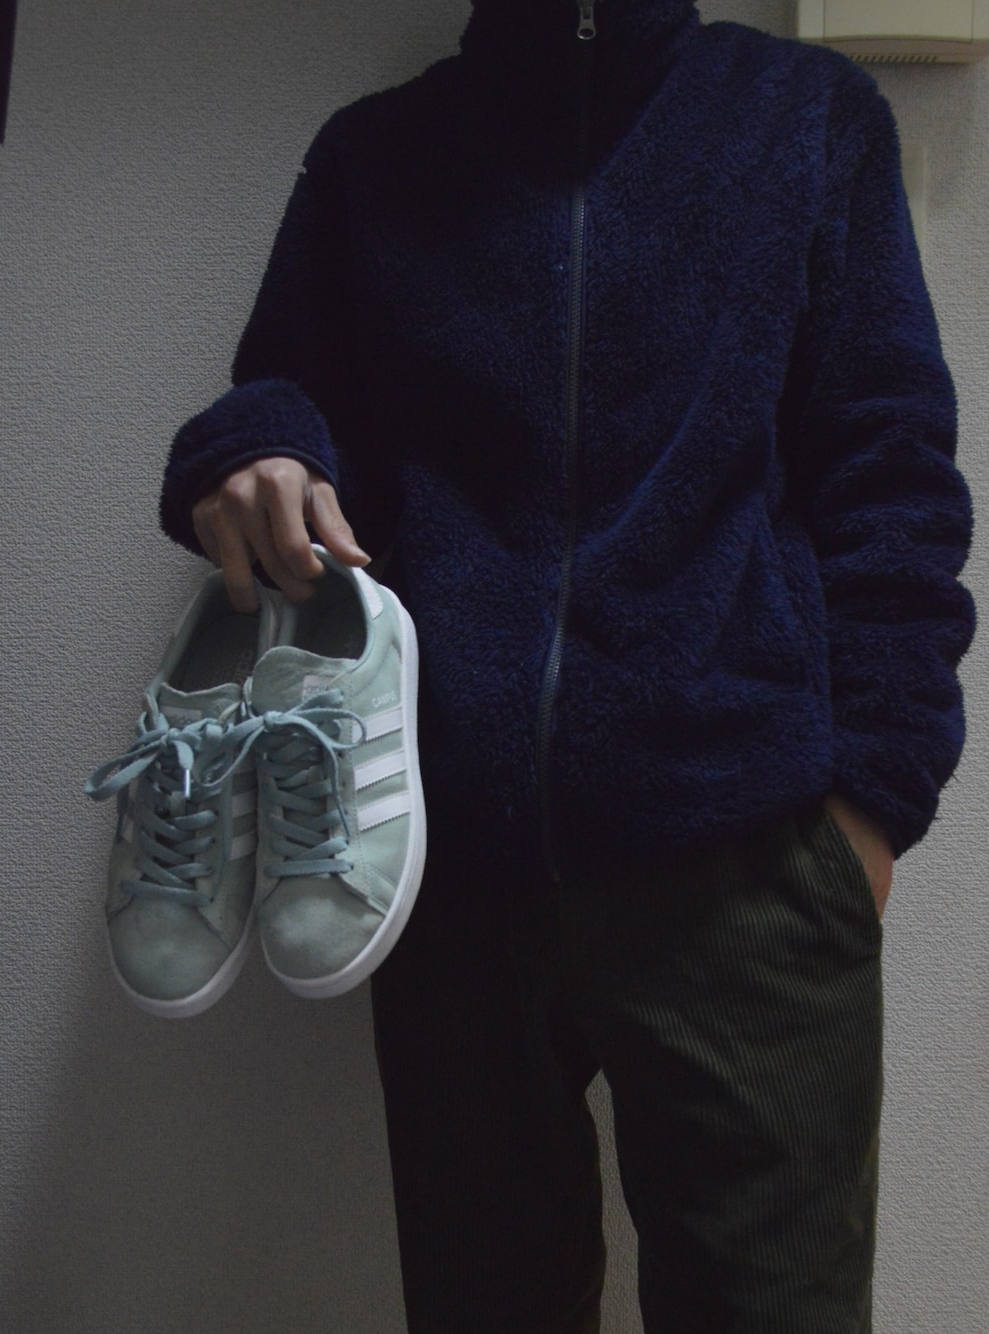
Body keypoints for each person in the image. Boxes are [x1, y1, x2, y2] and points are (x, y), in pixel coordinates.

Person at [159, 1, 975, 1329]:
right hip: (444, 877)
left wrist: (870, 809)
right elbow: (296, 411)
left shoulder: (808, 121)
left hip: (747, 872)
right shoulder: (377, 157)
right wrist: (254, 448)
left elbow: (890, 477)